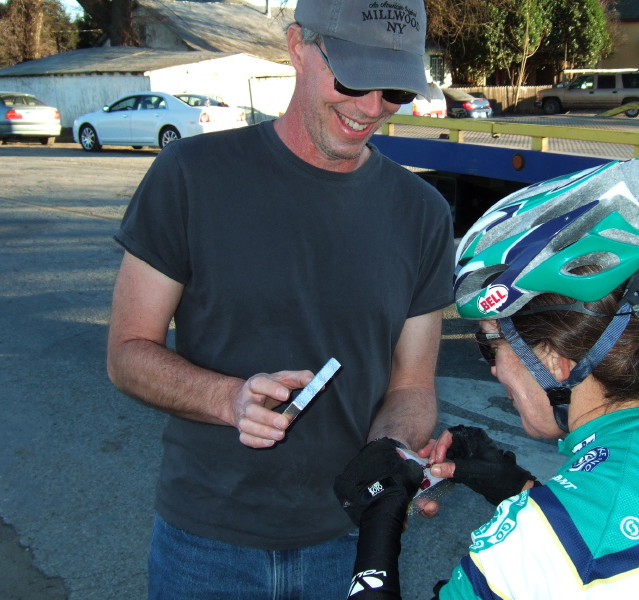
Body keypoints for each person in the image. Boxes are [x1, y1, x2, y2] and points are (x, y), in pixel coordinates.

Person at [333, 159, 639, 599]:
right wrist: (513, 486)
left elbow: (577, 551)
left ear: (553, 358)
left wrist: (381, 516)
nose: (493, 369)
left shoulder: (540, 544)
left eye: (489, 345)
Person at [104, 0, 455, 596]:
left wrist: (392, 460)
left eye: (394, 89)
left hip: (347, 542)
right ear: (297, 46)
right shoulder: (191, 175)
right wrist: (228, 399)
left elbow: (412, 386)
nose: (371, 109)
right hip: (205, 547)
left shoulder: (422, 214)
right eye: (352, 79)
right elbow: (127, 352)